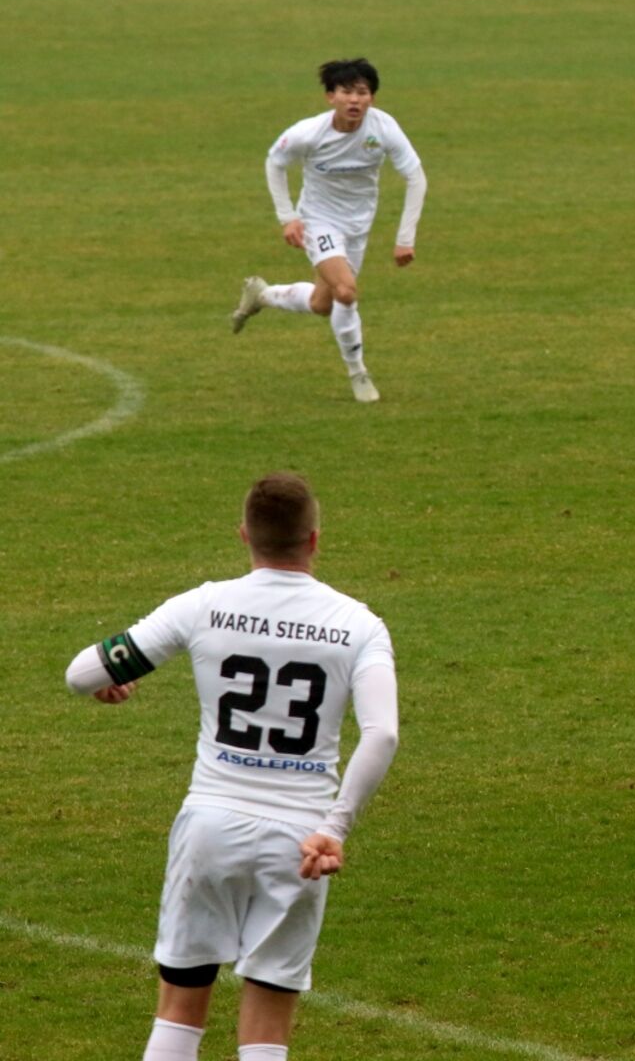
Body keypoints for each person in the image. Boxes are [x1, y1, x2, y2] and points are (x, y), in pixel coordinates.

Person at [63, 473, 399, 1061]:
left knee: (180, 1005)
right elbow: (383, 732)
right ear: (315, 540)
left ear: (245, 534)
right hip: (300, 841)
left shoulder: (204, 604)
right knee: (268, 1021)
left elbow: (81, 674)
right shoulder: (359, 625)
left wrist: (116, 678)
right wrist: (335, 826)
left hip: (210, 827)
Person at [231, 58, 428, 403]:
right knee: (347, 292)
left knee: (323, 303)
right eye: (347, 92)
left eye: (363, 93)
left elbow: (416, 177)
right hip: (319, 221)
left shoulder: (383, 129)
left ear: (373, 98)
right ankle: (359, 374)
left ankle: (262, 295)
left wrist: (405, 238)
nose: (355, 100)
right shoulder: (308, 133)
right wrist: (288, 217)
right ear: (330, 97)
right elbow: (274, 162)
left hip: (358, 226)